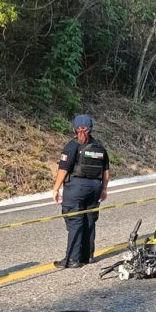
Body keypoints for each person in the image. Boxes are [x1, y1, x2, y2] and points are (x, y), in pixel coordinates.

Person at [53, 114, 109, 268]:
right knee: (89, 219)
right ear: (91, 128)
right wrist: (104, 189)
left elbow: (63, 170)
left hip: (76, 188)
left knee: (74, 221)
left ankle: (72, 259)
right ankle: (88, 256)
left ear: (74, 128)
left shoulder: (72, 146)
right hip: (95, 188)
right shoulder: (99, 147)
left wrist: (56, 189)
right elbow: (106, 172)